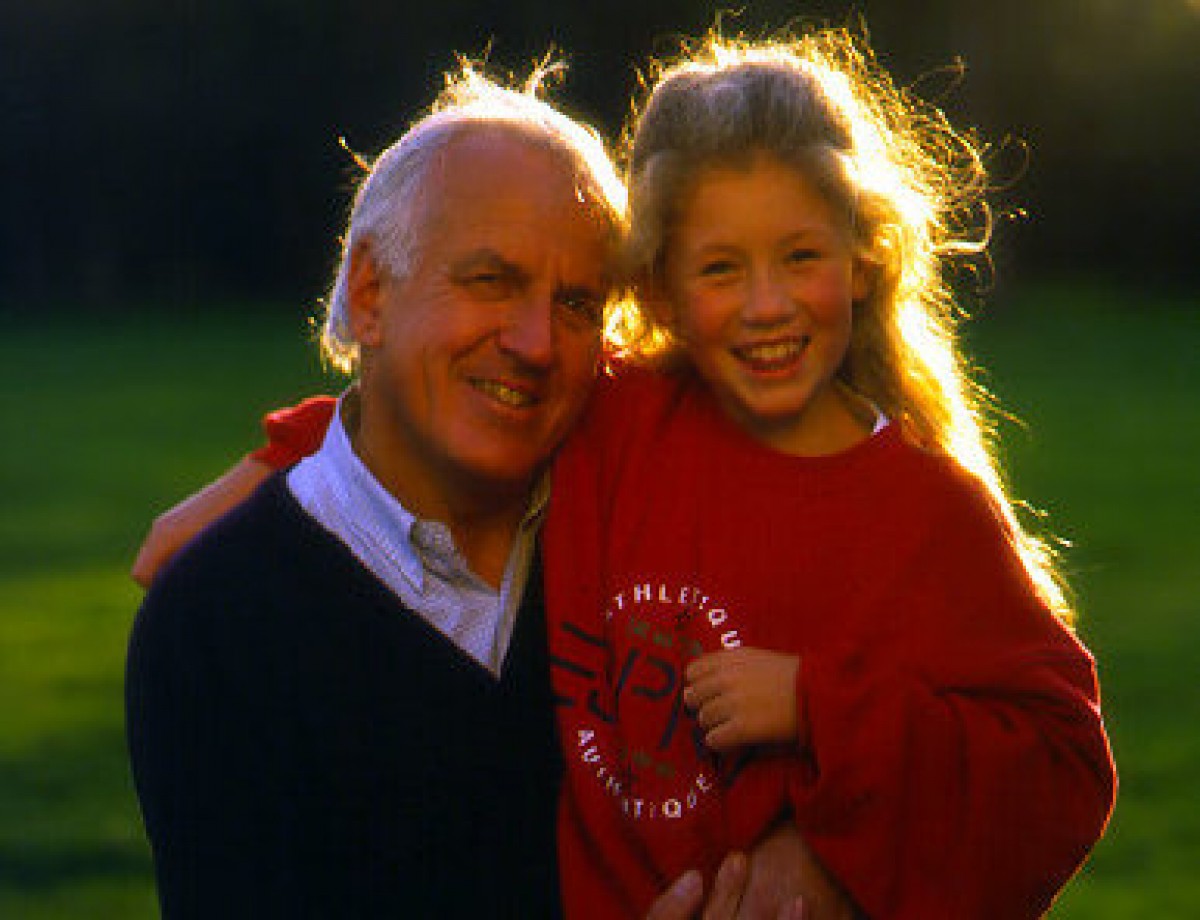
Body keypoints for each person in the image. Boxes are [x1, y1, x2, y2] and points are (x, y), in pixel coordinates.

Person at [133, 29, 1116, 920]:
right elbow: (435, 403)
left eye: (802, 257)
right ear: (665, 292)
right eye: (722, 268)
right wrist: (284, 457)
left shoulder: (906, 505)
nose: (766, 305)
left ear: (863, 260)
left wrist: (828, 790)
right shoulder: (622, 428)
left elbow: (1060, 764)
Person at [126, 61, 847, 919]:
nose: (537, 343)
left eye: (578, 304)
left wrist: (825, 854)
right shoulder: (216, 623)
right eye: (491, 281)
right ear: (370, 291)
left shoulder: (647, 523)